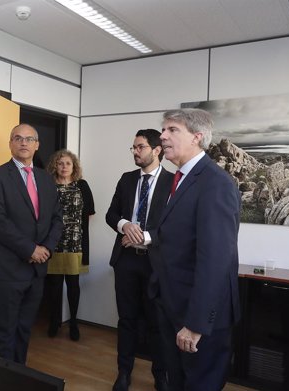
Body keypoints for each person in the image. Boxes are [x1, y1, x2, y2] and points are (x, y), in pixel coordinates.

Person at [147, 108, 241, 391]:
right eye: (163, 130)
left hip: (198, 318)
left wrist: (196, 324)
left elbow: (215, 260)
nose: (162, 136)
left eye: (172, 130)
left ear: (197, 137)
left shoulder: (216, 184)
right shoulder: (178, 179)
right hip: (173, 306)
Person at [0, 123, 64, 364]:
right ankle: (5, 382)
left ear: (37, 145)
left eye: (29, 139)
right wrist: (30, 249)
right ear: (10, 144)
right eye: (18, 138)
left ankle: (18, 378)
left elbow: (57, 218)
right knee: (5, 333)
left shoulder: (46, 179)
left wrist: (46, 249)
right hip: (7, 270)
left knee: (24, 330)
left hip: (36, 272)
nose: (23, 143)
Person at [106, 129, 173, 391]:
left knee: (158, 322)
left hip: (155, 263)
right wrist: (124, 226)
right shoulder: (126, 179)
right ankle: (124, 373)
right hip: (126, 261)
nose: (135, 151)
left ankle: (161, 375)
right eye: (133, 147)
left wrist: (143, 236)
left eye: (140, 147)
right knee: (126, 320)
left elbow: (174, 226)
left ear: (157, 151)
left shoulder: (174, 182)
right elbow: (111, 214)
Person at [44, 150, 95, 341]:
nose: (64, 167)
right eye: (60, 163)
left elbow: (89, 211)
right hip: (52, 242)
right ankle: (54, 321)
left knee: (73, 286)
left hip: (75, 243)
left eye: (67, 163)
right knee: (54, 286)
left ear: (74, 167)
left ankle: (73, 322)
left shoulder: (82, 185)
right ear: (54, 166)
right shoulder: (48, 186)